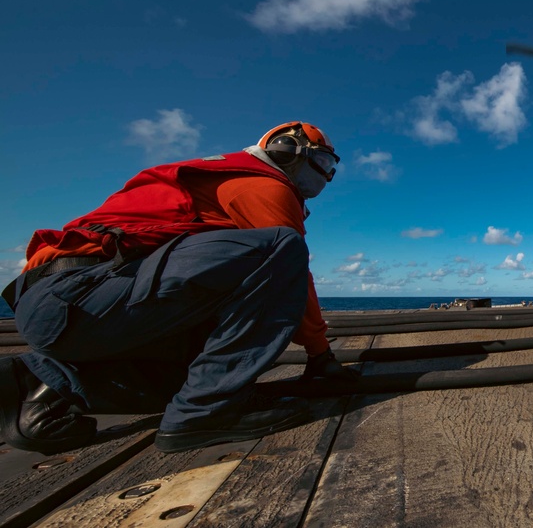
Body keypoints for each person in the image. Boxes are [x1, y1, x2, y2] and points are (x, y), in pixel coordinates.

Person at [1, 121, 358, 455]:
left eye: (332, 167)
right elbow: (290, 270)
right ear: (288, 151)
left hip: (73, 309)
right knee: (281, 247)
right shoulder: (262, 184)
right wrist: (320, 354)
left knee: (198, 378)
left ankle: (39, 382)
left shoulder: (227, 184)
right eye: (323, 162)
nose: (327, 175)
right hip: (77, 295)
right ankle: (207, 412)